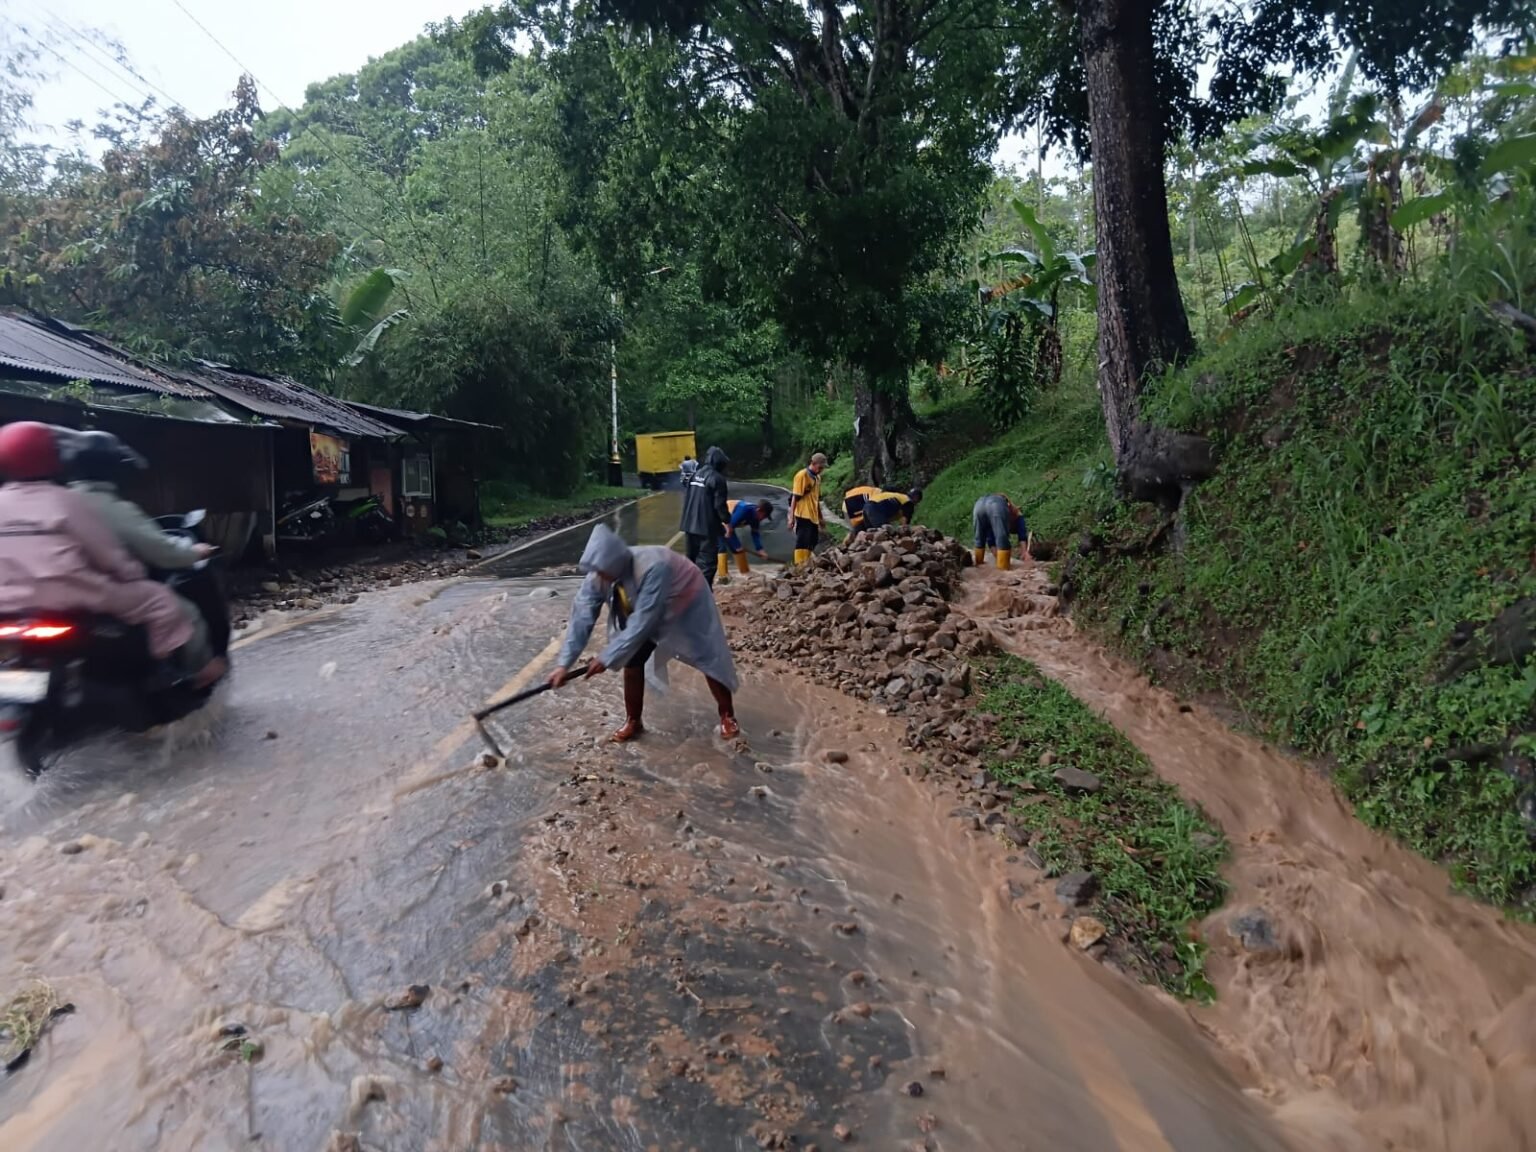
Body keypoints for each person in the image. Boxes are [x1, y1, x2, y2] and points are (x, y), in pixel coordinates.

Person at [0, 421, 225, 687]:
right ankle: (171, 671)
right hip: (73, 595)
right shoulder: (67, 501)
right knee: (162, 601)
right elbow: (112, 556)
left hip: (8, 601)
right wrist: (133, 572)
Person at [549, 523, 740, 742]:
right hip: (643, 604)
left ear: (616, 563)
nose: (600, 576)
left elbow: (644, 621)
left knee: (706, 653)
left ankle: (727, 715)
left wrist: (607, 656)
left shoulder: (653, 566)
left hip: (685, 596)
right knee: (632, 660)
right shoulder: (598, 575)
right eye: (597, 572)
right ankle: (633, 721)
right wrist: (564, 664)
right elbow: (581, 618)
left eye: (604, 571)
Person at [679, 445, 730, 587]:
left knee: (691, 562)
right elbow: (720, 506)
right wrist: (727, 521)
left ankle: (686, 593)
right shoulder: (718, 479)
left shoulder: (695, 475)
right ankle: (703, 595)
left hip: (689, 526)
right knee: (707, 566)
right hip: (707, 528)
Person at [716, 497, 773, 583]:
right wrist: (736, 545)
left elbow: (755, 533)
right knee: (722, 546)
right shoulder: (744, 510)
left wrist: (760, 549)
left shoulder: (755, 517)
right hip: (719, 519)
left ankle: (745, 572)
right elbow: (729, 527)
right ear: (759, 510)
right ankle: (722, 576)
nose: (764, 518)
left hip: (729, 525)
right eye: (764, 516)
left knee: (737, 548)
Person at [787, 452, 827, 566]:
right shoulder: (802, 476)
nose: (821, 470)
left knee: (812, 541)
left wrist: (821, 518)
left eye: (822, 468)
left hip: (813, 516)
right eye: (819, 467)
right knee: (802, 542)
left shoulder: (817, 478)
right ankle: (799, 566)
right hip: (802, 514)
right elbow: (795, 497)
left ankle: (807, 564)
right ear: (813, 464)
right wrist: (791, 518)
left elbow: (816, 500)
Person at [972, 492, 1029, 570]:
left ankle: (978, 566)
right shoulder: (1017, 516)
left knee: (979, 539)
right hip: (995, 505)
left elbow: (991, 541)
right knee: (1002, 540)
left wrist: (998, 557)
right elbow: (1022, 536)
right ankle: (1003, 572)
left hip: (978, 504)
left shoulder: (1006, 513)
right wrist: (1024, 552)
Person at [844, 485, 922, 540]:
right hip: (875, 508)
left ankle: (851, 541)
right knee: (884, 534)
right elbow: (904, 526)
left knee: (869, 534)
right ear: (917, 499)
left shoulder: (898, 496)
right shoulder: (908, 502)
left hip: (866, 507)